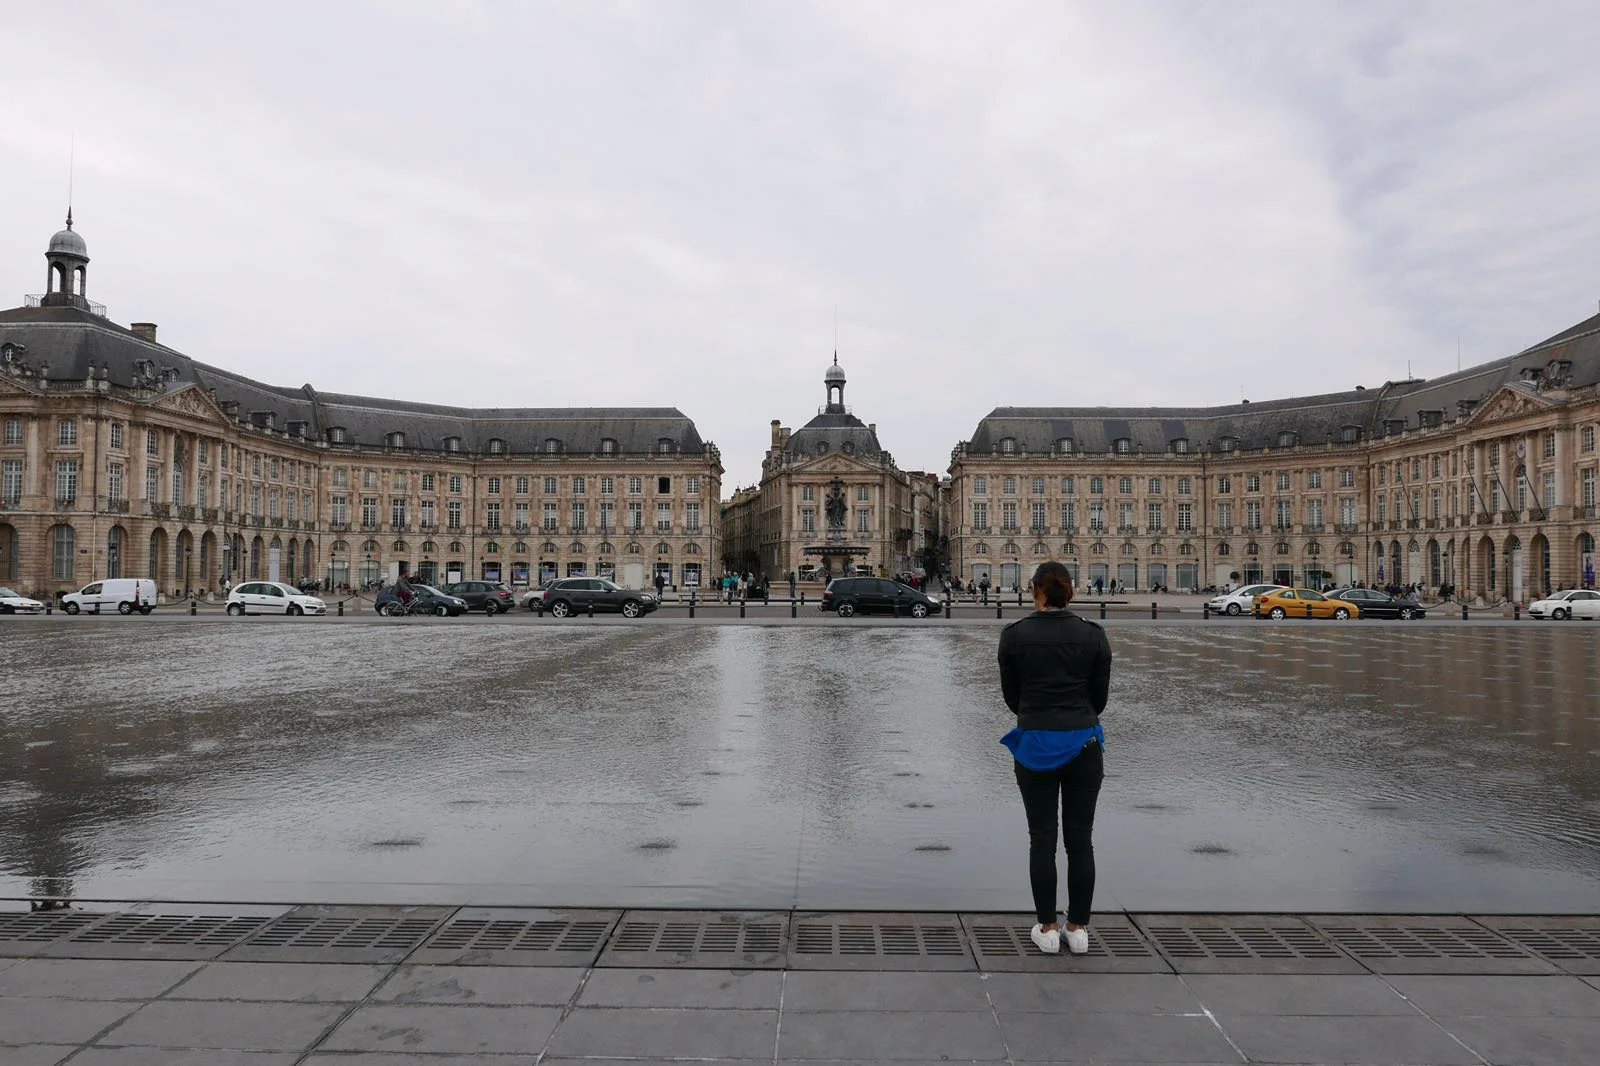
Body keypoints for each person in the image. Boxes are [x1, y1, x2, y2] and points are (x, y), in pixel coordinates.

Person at [997, 560, 1110, 957]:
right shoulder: (1093, 636)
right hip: (1083, 744)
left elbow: (1012, 697)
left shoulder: (1013, 637)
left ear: (1034, 592)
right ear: (1072, 593)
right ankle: (1077, 929)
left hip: (1035, 745)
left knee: (1041, 840)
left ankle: (1046, 928)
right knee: (1081, 841)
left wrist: (1037, 714)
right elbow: (1100, 699)